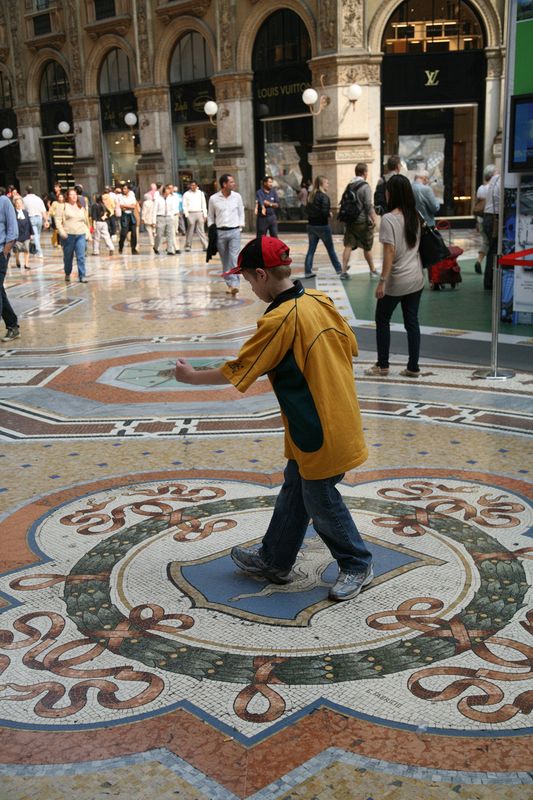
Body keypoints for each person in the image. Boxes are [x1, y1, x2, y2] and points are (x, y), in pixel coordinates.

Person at [174, 236, 373, 601]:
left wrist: (190, 377)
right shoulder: (318, 300)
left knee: (320, 498)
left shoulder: (280, 319)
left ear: (263, 275)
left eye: (249, 279)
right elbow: (351, 345)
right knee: (296, 487)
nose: (249, 286)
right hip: (335, 415)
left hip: (319, 426)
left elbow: (239, 369)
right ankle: (275, 558)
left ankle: (357, 562)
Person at [365, 174, 424, 379]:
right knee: (412, 322)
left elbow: (389, 252)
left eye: (387, 190)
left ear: (392, 193)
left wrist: (382, 281)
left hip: (397, 280)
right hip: (416, 278)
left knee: (382, 318)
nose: (386, 193)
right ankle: (413, 367)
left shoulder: (389, 219)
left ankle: (382, 365)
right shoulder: (415, 216)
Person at [207, 173, 245, 295]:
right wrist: (211, 229)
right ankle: (230, 284)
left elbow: (241, 212)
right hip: (220, 233)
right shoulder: (213, 198)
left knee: (234, 258)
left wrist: (240, 226)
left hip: (234, 231)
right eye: (231, 182)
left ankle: (235, 284)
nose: (234, 184)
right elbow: (210, 216)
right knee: (225, 260)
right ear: (224, 184)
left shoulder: (237, 197)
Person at [340, 162, 379, 280]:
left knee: (348, 245)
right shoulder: (365, 186)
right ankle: (372, 270)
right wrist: (374, 218)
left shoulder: (349, 185)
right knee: (367, 246)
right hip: (362, 222)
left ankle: (343, 271)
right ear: (364, 172)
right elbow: (368, 205)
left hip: (350, 221)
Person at [303, 175, 342, 278]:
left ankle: (307, 271)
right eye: (327, 183)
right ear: (322, 184)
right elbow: (324, 212)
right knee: (330, 249)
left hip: (311, 226)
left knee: (311, 249)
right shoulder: (324, 197)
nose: (328, 185)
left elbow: (307, 210)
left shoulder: (310, 196)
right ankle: (339, 269)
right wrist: (329, 214)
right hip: (322, 226)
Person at [55, 186, 91, 283]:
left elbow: (85, 222)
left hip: (81, 234)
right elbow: (57, 220)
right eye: (71, 195)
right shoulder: (63, 206)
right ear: (67, 196)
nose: (74, 196)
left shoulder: (81, 207)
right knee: (68, 256)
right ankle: (67, 272)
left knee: (81, 256)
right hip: (68, 235)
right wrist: (62, 232)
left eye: (75, 195)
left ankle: (82, 275)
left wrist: (88, 233)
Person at [0, 187, 20, 342]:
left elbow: (13, 229)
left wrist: (5, 252)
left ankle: (12, 325)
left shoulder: (4, 201)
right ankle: (12, 325)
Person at [474, 164, 497, 275]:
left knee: (486, 241)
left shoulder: (481, 188)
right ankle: (485, 265)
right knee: (490, 243)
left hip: (481, 220)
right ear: (492, 175)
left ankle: (479, 260)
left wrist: (476, 223)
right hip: (490, 218)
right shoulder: (492, 188)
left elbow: (478, 205)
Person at [482, 170, 500, 291]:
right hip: (495, 218)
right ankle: (490, 282)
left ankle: (489, 281)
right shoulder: (500, 180)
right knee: (493, 250)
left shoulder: (494, 179)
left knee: (491, 249)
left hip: (488, 217)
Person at [23, 185, 49, 259]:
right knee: (37, 236)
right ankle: (34, 250)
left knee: (35, 237)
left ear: (26, 191)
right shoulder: (39, 199)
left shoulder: (24, 199)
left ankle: (39, 252)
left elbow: (23, 210)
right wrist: (46, 220)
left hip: (31, 219)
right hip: (39, 219)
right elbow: (43, 210)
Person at [183, 179, 208, 251]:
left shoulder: (200, 193)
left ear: (197, 186)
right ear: (190, 186)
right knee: (190, 230)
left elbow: (204, 204)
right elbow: (184, 205)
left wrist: (205, 214)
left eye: (194, 185)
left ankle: (205, 245)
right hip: (190, 213)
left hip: (199, 212)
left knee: (201, 230)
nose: (193, 187)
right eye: (191, 185)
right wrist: (186, 214)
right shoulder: (186, 194)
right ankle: (188, 245)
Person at [154, 184, 177, 255]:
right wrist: (153, 221)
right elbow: (154, 210)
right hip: (160, 217)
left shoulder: (171, 198)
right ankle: (156, 247)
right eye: (166, 193)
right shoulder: (158, 199)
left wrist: (173, 217)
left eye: (168, 193)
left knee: (170, 234)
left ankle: (170, 250)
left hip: (169, 217)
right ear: (163, 192)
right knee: (159, 234)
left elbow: (173, 208)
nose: (167, 195)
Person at [117, 183, 139, 254]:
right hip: (124, 216)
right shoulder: (120, 197)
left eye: (125, 189)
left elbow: (133, 206)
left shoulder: (131, 196)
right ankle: (120, 246)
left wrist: (125, 206)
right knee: (123, 233)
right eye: (123, 189)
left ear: (128, 189)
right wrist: (128, 206)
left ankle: (133, 248)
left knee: (134, 233)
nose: (124, 190)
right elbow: (121, 207)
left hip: (131, 215)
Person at [12, 196, 32, 269]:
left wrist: (31, 233)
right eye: (17, 203)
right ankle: (17, 260)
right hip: (17, 234)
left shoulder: (25, 212)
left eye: (20, 203)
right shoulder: (12, 213)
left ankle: (26, 264)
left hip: (26, 233)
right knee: (16, 249)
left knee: (27, 249)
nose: (19, 204)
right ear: (15, 204)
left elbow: (29, 223)